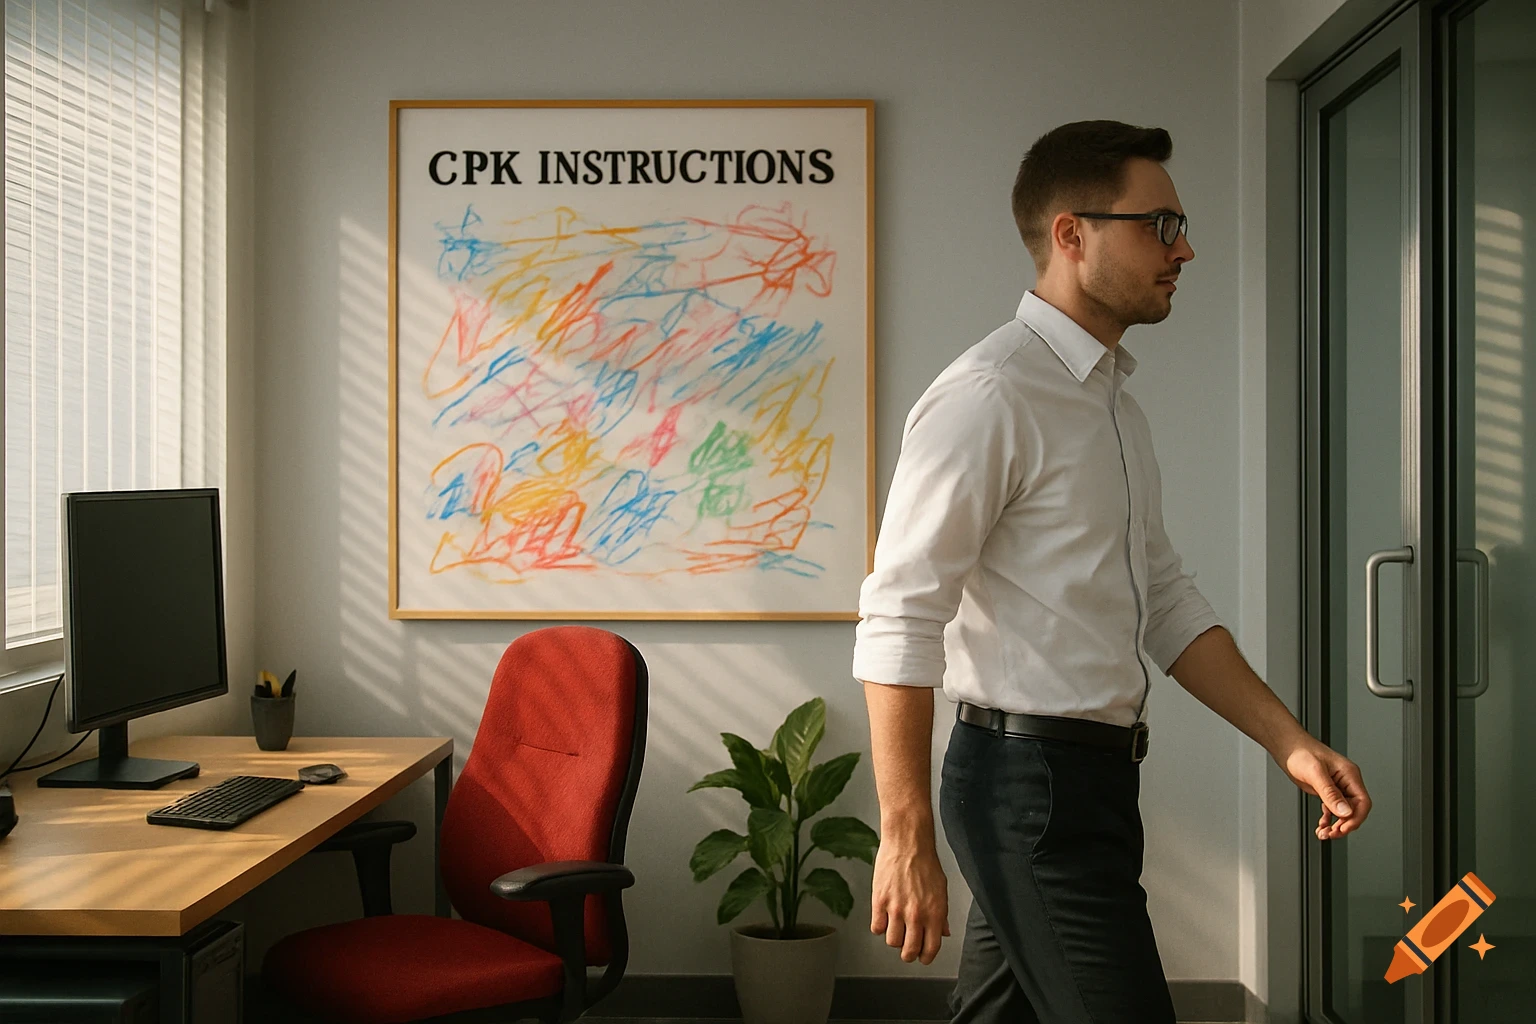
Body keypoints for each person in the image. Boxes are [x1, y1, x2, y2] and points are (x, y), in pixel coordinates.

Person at [850, 120, 1372, 1023]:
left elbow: (1164, 602)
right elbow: (900, 612)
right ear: (1071, 235)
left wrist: (1290, 741)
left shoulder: (1112, 407)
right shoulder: (990, 395)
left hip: (1092, 784)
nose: (1186, 248)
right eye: (1160, 226)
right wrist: (903, 833)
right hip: (1028, 791)